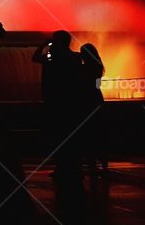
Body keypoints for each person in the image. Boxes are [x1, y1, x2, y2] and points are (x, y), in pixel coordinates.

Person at [33, 30, 83, 178]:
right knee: (71, 135)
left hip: (54, 101)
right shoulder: (75, 57)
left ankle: (62, 166)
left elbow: (35, 57)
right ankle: (73, 166)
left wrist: (43, 45)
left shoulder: (51, 59)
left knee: (57, 136)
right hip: (71, 101)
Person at [80, 43, 108, 170]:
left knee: (88, 131)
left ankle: (91, 159)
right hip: (96, 97)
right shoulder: (98, 66)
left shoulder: (84, 68)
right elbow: (97, 85)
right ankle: (103, 159)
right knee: (98, 129)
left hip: (86, 99)